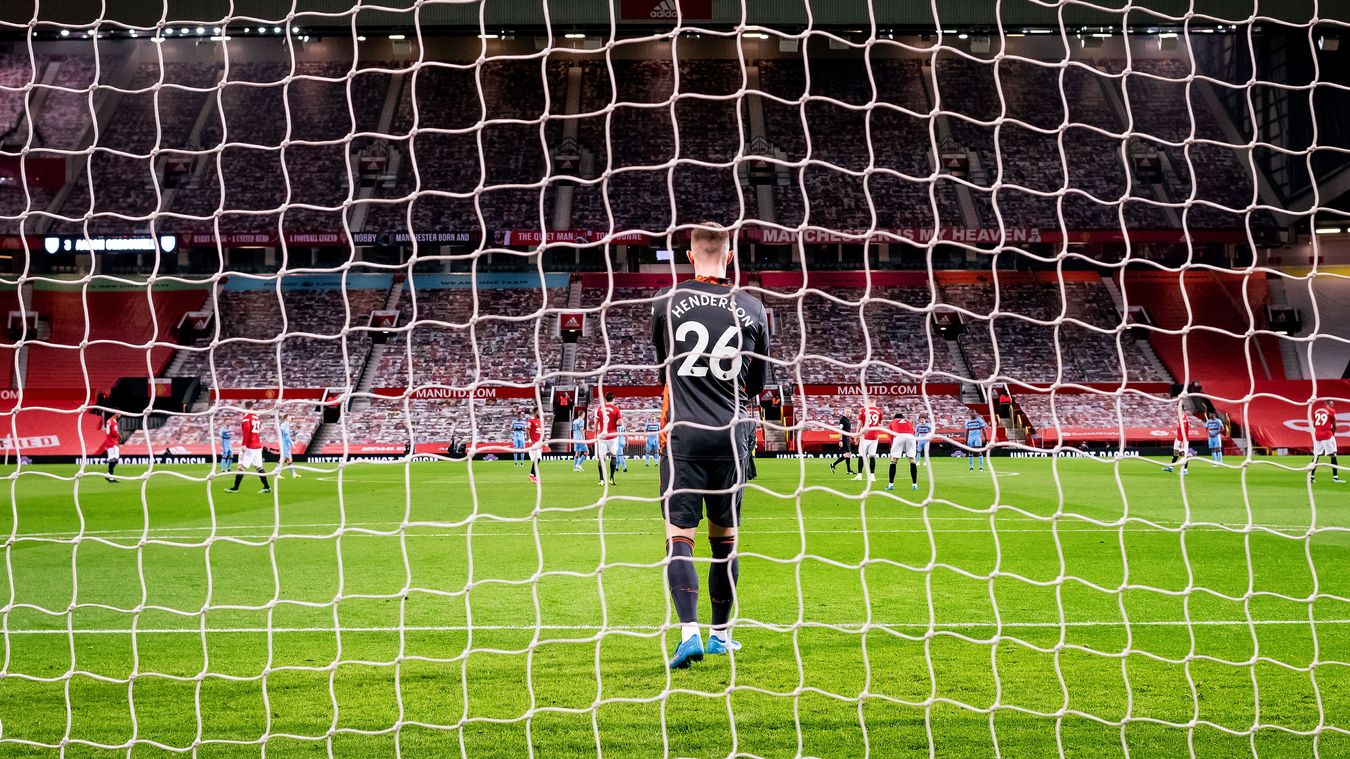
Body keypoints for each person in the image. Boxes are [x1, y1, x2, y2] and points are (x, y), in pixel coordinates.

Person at [651, 224, 769, 670]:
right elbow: (756, 384)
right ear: (731, 255)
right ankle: (720, 635)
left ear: (689, 255)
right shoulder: (753, 307)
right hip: (732, 439)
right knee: (726, 541)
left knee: (679, 538)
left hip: (683, 436)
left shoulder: (666, 302)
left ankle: (689, 635)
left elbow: (663, 367)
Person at [227, 401, 271, 494]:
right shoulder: (257, 418)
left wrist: (243, 444)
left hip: (250, 446)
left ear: (244, 407)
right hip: (257, 446)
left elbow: (246, 432)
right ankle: (267, 487)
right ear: (252, 407)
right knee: (259, 467)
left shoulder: (246, 418)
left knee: (241, 467)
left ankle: (235, 488)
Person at [1310, 399, 1343, 484]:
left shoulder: (1317, 411)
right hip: (1327, 435)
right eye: (1331, 404)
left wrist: (1319, 430)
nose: (1332, 405)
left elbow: (1314, 424)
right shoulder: (1331, 411)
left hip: (1317, 436)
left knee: (1316, 456)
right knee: (1333, 455)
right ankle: (1335, 477)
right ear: (1328, 403)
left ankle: (1311, 477)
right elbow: (1334, 425)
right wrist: (1332, 434)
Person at [594, 392, 623, 485]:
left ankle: (601, 480)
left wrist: (595, 433)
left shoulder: (600, 408)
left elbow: (596, 422)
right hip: (612, 436)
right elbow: (620, 423)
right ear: (613, 399)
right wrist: (614, 423)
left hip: (602, 436)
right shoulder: (616, 409)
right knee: (613, 456)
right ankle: (611, 478)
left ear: (605, 399)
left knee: (602, 458)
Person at [887, 411, 919, 492]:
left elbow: (890, 435)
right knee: (912, 460)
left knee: (894, 460)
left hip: (899, 436)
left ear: (895, 418)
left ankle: (890, 485)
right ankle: (915, 485)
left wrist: (892, 446)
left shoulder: (892, 422)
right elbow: (913, 432)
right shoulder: (908, 422)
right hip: (911, 437)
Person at [854, 401, 882, 483]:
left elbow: (859, 424)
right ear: (874, 402)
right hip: (875, 436)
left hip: (865, 435)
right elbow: (879, 424)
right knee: (872, 456)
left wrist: (856, 435)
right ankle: (872, 476)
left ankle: (859, 475)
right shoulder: (879, 411)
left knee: (861, 455)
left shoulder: (863, 410)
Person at [1164, 410, 1190, 475]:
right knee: (1176, 453)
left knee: (1183, 454)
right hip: (1178, 438)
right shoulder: (1180, 417)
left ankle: (1185, 470)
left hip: (1183, 439)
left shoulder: (1184, 418)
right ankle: (1171, 467)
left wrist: (1181, 441)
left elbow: (1184, 430)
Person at [526, 410, 544, 484]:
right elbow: (527, 431)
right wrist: (529, 441)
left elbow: (540, 433)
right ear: (534, 412)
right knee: (537, 459)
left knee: (538, 460)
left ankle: (535, 477)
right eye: (538, 412)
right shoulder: (531, 420)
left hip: (538, 444)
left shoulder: (539, 421)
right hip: (533, 443)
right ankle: (531, 475)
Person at [102, 412, 121, 483]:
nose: (120, 415)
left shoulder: (109, 421)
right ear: (115, 413)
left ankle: (110, 476)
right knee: (115, 459)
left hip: (109, 442)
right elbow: (113, 432)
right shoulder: (113, 421)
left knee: (112, 459)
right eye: (119, 413)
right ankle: (109, 474)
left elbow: (108, 432)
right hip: (113, 442)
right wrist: (119, 435)